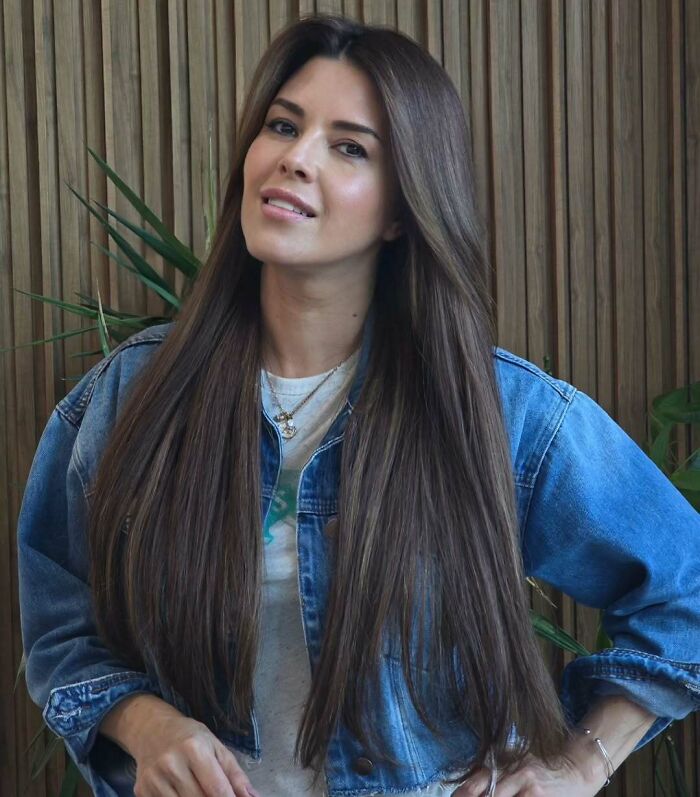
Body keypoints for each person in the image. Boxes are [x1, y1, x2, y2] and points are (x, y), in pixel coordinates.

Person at [17, 13, 700, 797]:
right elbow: (61, 625)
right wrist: (146, 723)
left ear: (403, 209)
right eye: (282, 125)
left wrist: (582, 760)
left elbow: (688, 585)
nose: (293, 159)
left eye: (348, 147)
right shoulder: (128, 399)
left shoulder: (500, 413)